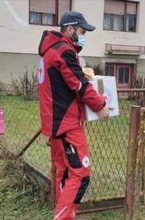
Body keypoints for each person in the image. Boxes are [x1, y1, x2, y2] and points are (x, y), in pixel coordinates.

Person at [37, 11, 109, 220]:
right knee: (81, 174)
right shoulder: (64, 51)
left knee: (65, 173)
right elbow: (79, 84)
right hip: (66, 123)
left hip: (56, 122)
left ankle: (66, 215)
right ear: (69, 30)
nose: (84, 35)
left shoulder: (50, 51)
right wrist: (100, 105)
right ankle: (63, 217)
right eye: (82, 31)